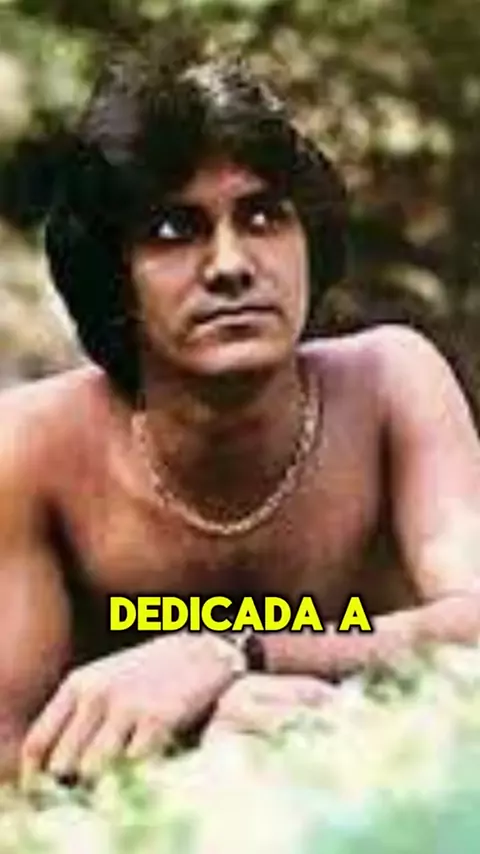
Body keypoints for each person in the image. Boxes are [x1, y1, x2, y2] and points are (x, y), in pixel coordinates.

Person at [1, 33, 480, 785]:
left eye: (263, 217)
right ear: (113, 276)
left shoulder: (393, 381)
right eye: (174, 230)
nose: (230, 266)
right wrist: (201, 730)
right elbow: (9, 754)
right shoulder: (33, 448)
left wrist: (234, 653)